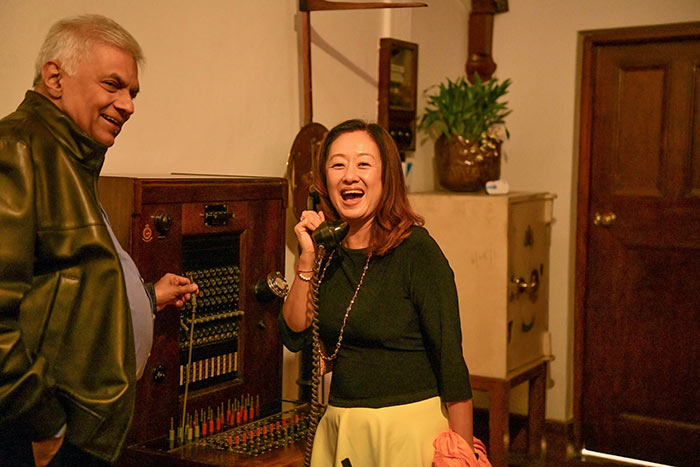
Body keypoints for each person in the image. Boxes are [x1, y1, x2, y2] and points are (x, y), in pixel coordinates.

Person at [0, 15, 198, 466]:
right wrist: (43, 422)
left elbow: (66, 291)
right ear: (55, 77)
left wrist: (146, 298)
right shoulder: (18, 149)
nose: (127, 105)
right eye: (113, 85)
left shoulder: (70, 158)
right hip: (40, 439)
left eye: (132, 92)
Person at [280, 119, 474, 466]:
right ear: (324, 181)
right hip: (343, 427)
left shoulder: (417, 252)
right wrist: (307, 256)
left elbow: (452, 365)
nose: (349, 175)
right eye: (337, 164)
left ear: (386, 178)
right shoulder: (328, 254)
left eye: (363, 164)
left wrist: (461, 455)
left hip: (406, 432)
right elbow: (294, 331)